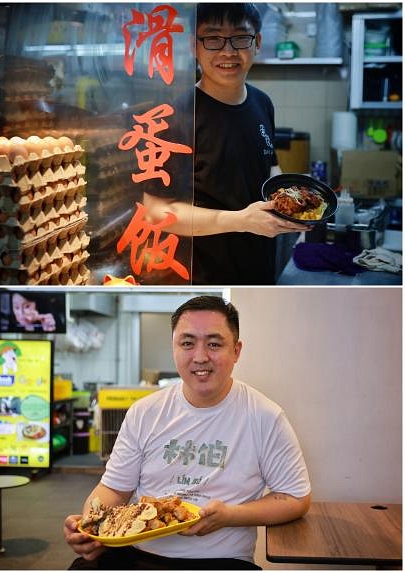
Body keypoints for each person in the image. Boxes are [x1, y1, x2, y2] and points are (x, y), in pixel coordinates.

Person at [63, 295, 311, 569]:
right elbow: (113, 488)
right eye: (187, 343)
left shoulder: (264, 416)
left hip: (222, 561)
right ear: (174, 348)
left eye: (214, 344)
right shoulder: (145, 412)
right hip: (137, 555)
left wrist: (230, 516)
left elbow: (294, 497)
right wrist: (89, 526)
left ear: (236, 351)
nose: (200, 357)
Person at [143, 4, 310, 285]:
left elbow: (270, 169)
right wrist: (240, 220)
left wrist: (295, 202)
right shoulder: (175, 117)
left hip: (258, 267)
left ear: (256, 43)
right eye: (213, 38)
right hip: (203, 274)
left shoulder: (262, 102)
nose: (228, 51)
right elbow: (156, 211)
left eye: (240, 38)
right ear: (193, 46)